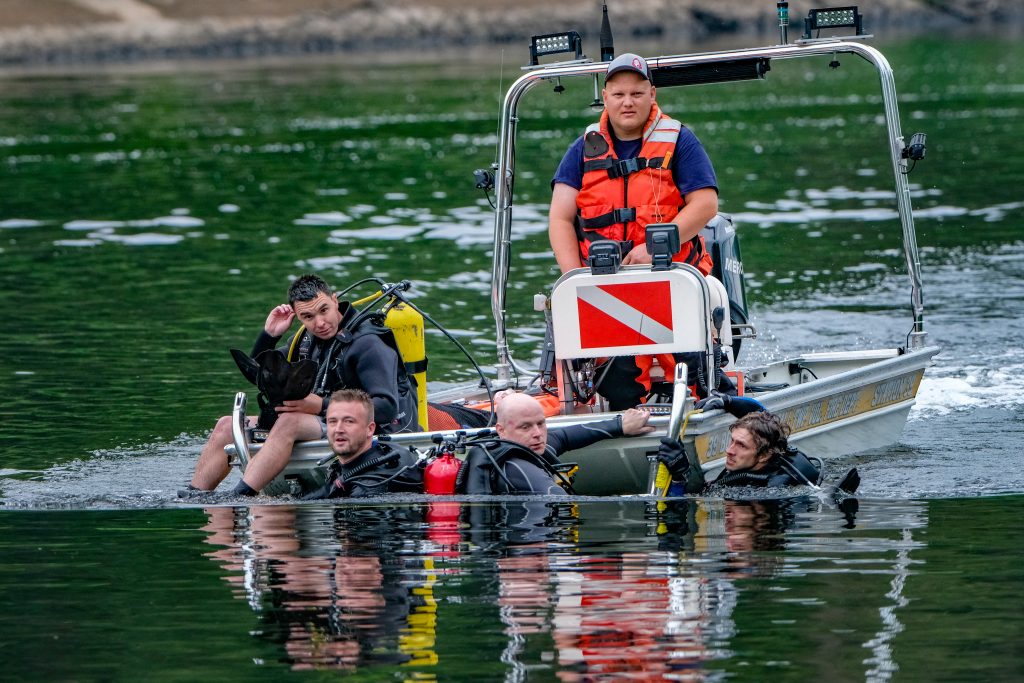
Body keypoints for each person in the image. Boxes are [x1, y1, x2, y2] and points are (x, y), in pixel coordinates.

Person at [547, 52, 722, 409]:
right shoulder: (582, 150)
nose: (628, 102)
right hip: (607, 285)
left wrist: (654, 246)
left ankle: (711, 407)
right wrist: (574, 280)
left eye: (637, 94)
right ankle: (618, 422)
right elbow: (560, 218)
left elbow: (705, 205)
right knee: (616, 385)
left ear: (652, 96)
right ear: (606, 97)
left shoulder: (680, 140)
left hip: (672, 278)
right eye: (619, 94)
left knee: (699, 377)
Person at [188, 274, 418, 496]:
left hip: (370, 432)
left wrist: (321, 405)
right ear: (299, 317)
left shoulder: (368, 344)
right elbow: (264, 379)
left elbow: (387, 407)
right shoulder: (306, 339)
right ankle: (193, 496)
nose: (319, 323)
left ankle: (239, 497)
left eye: (324, 310)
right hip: (319, 422)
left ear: (334, 299)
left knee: (289, 421)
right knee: (227, 424)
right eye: (307, 317)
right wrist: (269, 335)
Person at [457, 391, 655, 494]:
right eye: (525, 427)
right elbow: (559, 500)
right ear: (501, 430)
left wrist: (619, 425)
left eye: (540, 424)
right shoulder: (517, 467)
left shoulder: (531, 446)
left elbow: (564, 437)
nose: (537, 434)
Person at [656, 407, 824, 493]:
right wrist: (727, 401)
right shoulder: (745, 467)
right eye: (732, 441)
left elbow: (696, 502)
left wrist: (679, 480)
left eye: (741, 445)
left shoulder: (771, 488)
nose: (729, 450)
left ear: (765, 455)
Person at [303, 389, 422, 499]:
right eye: (332, 421)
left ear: (370, 429)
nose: (338, 429)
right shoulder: (351, 464)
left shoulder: (371, 486)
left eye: (349, 421)